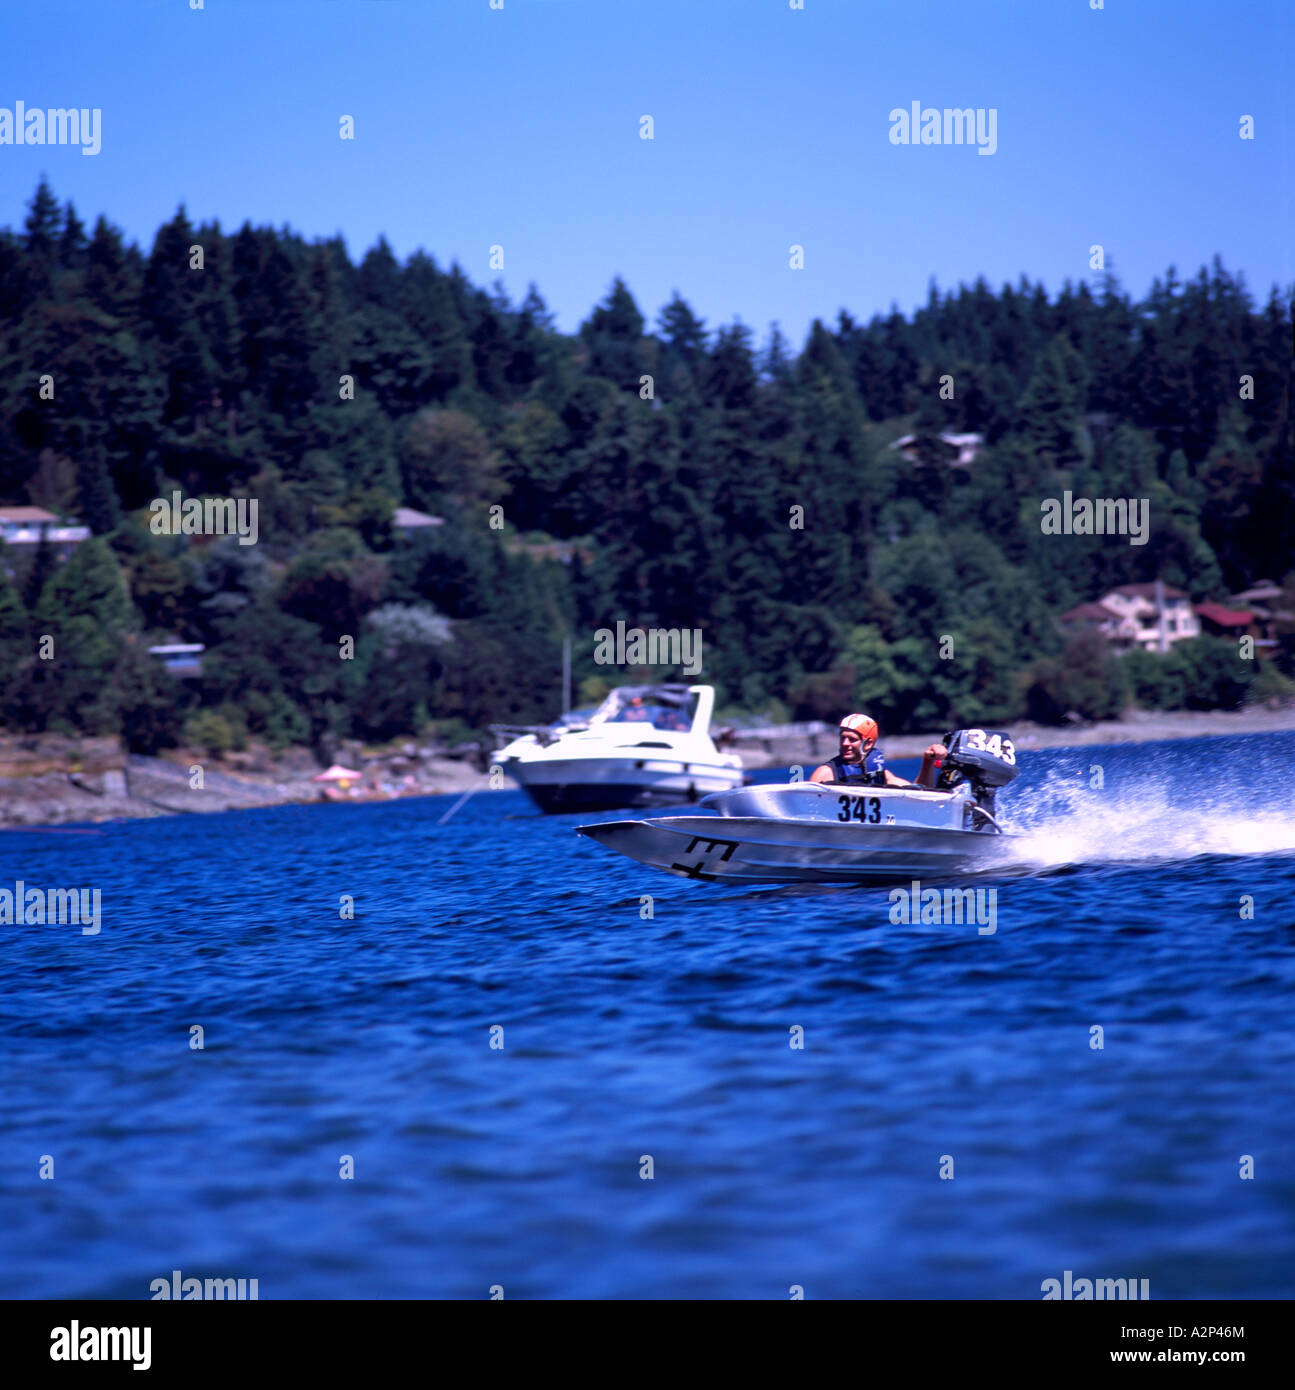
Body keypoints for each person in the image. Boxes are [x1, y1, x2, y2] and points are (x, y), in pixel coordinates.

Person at [810, 714, 918, 788]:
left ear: (868, 744)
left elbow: (916, 793)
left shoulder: (882, 775)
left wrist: (927, 763)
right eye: (843, 738)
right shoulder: (825, 774)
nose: (845, 743)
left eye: (852, 739)